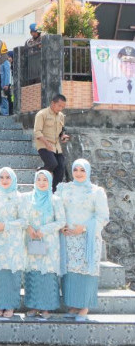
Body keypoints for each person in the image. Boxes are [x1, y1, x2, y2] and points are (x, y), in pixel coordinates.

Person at [59, 159, 110, 321]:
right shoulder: (65, 189)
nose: (79, 174)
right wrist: (62, 224)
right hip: (68, 238)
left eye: (82, 170)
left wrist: (84, 227)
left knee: (86, 272)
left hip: (87, 238)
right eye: (76, 170)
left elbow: (103, 217)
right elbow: (57, 209)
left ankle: (84, 307)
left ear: (88, 172)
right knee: (71, 273)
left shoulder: (96, 192)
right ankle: (74, 305)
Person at [24, 170, 65, 320]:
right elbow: (23, 216)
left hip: (49, 243)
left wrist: (44, 230)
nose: (41, 183)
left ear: (49, 182)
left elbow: (61, 221)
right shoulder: (29, 199)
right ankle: (33, 306)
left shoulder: (55, 200)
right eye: (39, 180)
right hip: (32, 240)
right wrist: (29, 228)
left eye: (45, 180)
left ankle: (47, 308)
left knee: (47, 274)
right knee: (33, 273)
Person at [0, 167, 26, 319]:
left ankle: (10, 305)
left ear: (13, 179)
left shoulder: (19, 197)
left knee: (11, 274)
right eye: (2, 177)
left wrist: (6, 225)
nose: (4, 181)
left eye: (7, 177)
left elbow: (24, 221)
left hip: (13, 242)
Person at [33, 94, 70, 192]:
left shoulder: (61, 116)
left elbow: (61, 131)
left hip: (56, 146)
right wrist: (46, 144)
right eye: (59, 106)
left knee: (61, 169)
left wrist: (63, 137)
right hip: (43, 145)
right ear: (53, 103)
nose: (61, 108)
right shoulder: (42, 114)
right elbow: (37, 132)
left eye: (63, 107)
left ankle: (54, 192)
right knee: (52, 163)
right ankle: (40, 171)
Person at [0, 51, 13, 116]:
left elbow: (7, 74)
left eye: (10, 57)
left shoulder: (6, 63)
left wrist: (6, 84)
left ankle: (6, 113)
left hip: (9, 86)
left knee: (9, 99)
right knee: (4, 99)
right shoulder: (3, 63)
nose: (9, 58)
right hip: (6, 85)